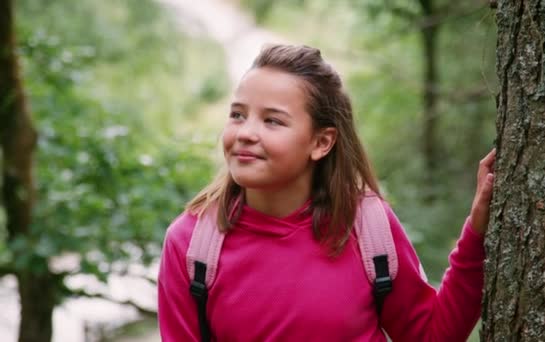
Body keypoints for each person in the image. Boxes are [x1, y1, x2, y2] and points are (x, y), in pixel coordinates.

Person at [157, 44, 496, 342]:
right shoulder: (191, 246)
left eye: (272, 121)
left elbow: (430, 336)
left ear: (321, 142)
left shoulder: (367, 227)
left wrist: (477, 233)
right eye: (237, 115)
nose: (245, 133)